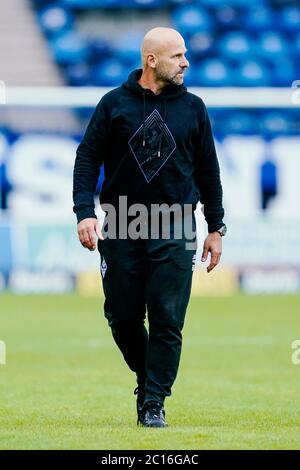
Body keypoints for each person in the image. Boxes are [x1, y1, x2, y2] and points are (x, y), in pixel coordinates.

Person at [73, 27, 226, 428]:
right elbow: (87, 158)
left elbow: (209, 171)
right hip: (122, 222)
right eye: (177, 56)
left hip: (175, 225)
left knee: (167, 318)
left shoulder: (195, 108)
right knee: (122, 317)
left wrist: (216, 227)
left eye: (185, 55)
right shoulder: (113, 104)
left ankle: (154, 403)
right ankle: (148, 377)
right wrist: (83, 212)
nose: (186, 62)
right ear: (151, 60)